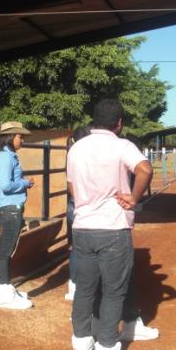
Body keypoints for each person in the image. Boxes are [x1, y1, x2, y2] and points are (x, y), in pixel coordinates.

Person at [67, 98, 153, 350]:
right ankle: (107, 349)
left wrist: (86, 202)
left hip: (82, 227)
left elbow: (71, 186)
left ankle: (81, 343)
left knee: (85, 288)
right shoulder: (121, 145)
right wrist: (133, 198)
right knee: (114, 291)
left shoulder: (76, 148)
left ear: (94, 120)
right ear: (119, 123)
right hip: (113, 228)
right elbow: (145, 169)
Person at [0, 121, 35, 310]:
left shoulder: (9, 156)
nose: (22, 139)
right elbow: (5, 185)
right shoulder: (5, 158)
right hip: (9, 208)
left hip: (11, 208)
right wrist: (25, 183)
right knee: (5, 250)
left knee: (7, 249)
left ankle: (5, 287)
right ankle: (3, 292)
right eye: (20, 136)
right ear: (10, 137)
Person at [64, 124, 93, 302]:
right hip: (87, 205)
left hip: (75, 204)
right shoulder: (89, 155)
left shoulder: (71, 154)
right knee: (90, 248)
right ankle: (84, 285)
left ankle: (73, 284)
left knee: (76, 247)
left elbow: (70, 182)